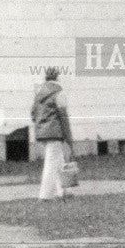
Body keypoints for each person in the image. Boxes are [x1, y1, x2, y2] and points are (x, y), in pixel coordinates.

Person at [32, 67, 74, 201]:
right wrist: (69, 137)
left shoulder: (39, 93)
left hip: (41, 132)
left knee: (58, 160)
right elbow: (63, 117)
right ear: (57, 77)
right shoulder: (59, 93)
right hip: (55, 132)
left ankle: (63, 191)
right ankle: (45, 195)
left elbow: (33, 113)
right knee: (51, 162)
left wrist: (41, 125)